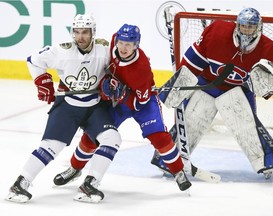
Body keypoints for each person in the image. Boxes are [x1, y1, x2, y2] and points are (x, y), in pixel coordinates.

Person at [52, 23, 192, 203]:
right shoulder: (112, 43)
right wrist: (108, 85)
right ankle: (74, 168)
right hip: (118, 101)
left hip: (143, 101)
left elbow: (139, 102)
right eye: (121, 42)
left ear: (136, 45)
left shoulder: (141, 67)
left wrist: (122, 93)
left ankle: (178, 171)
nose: (123, 47)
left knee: (159, 138)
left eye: (129, 44)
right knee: (93, 135)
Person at [151, 7, 273, 179]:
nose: (247, 30)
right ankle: (168, 161)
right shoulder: (217, 32)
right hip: (208, 85)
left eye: (251, 27)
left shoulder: (267, 47)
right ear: (237, 25)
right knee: (192, 119)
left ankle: (266, 162)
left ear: (259, 28)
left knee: (246, 125)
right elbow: (192, 62)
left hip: (238, 91)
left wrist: (263, 86)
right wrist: (176, 88)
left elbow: (264, 88)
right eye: (244, 26)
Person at [6, 14, 122, 203]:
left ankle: (89, 185)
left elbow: (119, 67)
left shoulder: (104, 49)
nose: (80, 37)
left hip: (95, 106)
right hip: (68, 106)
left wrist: (114, 83)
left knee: (112, 138)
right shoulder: (62, 51)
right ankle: (20, 183)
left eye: (85, 32)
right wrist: (42, 82)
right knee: (51, 147)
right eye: (76, 32)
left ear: (93, 33)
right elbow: (33, 60)